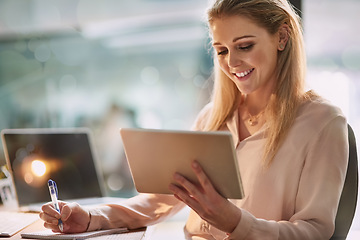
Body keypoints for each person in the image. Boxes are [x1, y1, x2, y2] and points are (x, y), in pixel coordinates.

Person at [39, 0, 349, 239]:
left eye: (245, 46)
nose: (232, 63)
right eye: (221, 50)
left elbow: (314, 232)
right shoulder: (212, 119)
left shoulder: (322, 123)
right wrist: (92, 217)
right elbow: (159, 201)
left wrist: (235, 223)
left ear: (282, 37)